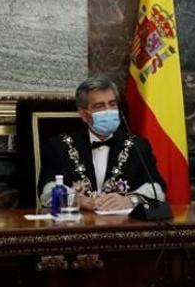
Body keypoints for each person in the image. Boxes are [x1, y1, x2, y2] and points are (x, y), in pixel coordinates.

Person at [37, 74, 165, 212]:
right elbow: (47, 191)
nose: (108, 111)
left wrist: (130, 200)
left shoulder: (138, 146)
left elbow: (157, 189)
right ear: (83, 114)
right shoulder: (58, 146)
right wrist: (79, 200)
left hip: (123, 226)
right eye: (99, 106)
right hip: (76, 225)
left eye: (112, 104)